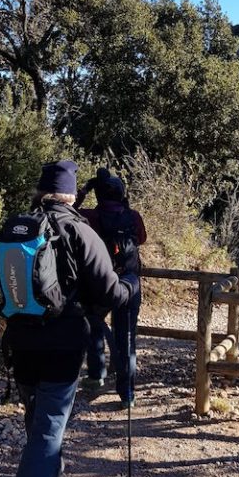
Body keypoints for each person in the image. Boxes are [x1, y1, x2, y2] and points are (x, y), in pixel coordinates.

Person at [0, 159, 139, 477]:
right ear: (71, 194)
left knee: (39, 420)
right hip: (62, 346)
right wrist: (130, 283)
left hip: (20, 344)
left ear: (40, 192)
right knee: (48, 427)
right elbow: (111, 293)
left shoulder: (15, 231)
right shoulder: (80, 231)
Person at [75, 167, 146, 408]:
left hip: (101, 282)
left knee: (94, 325)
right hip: (130, 281)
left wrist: (84, 190)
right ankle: (127, 394)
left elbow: (68, 212)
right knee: (126, 337)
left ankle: (96, 376)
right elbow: (142, 238)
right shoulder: (133, 216)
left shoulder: (90, 217)